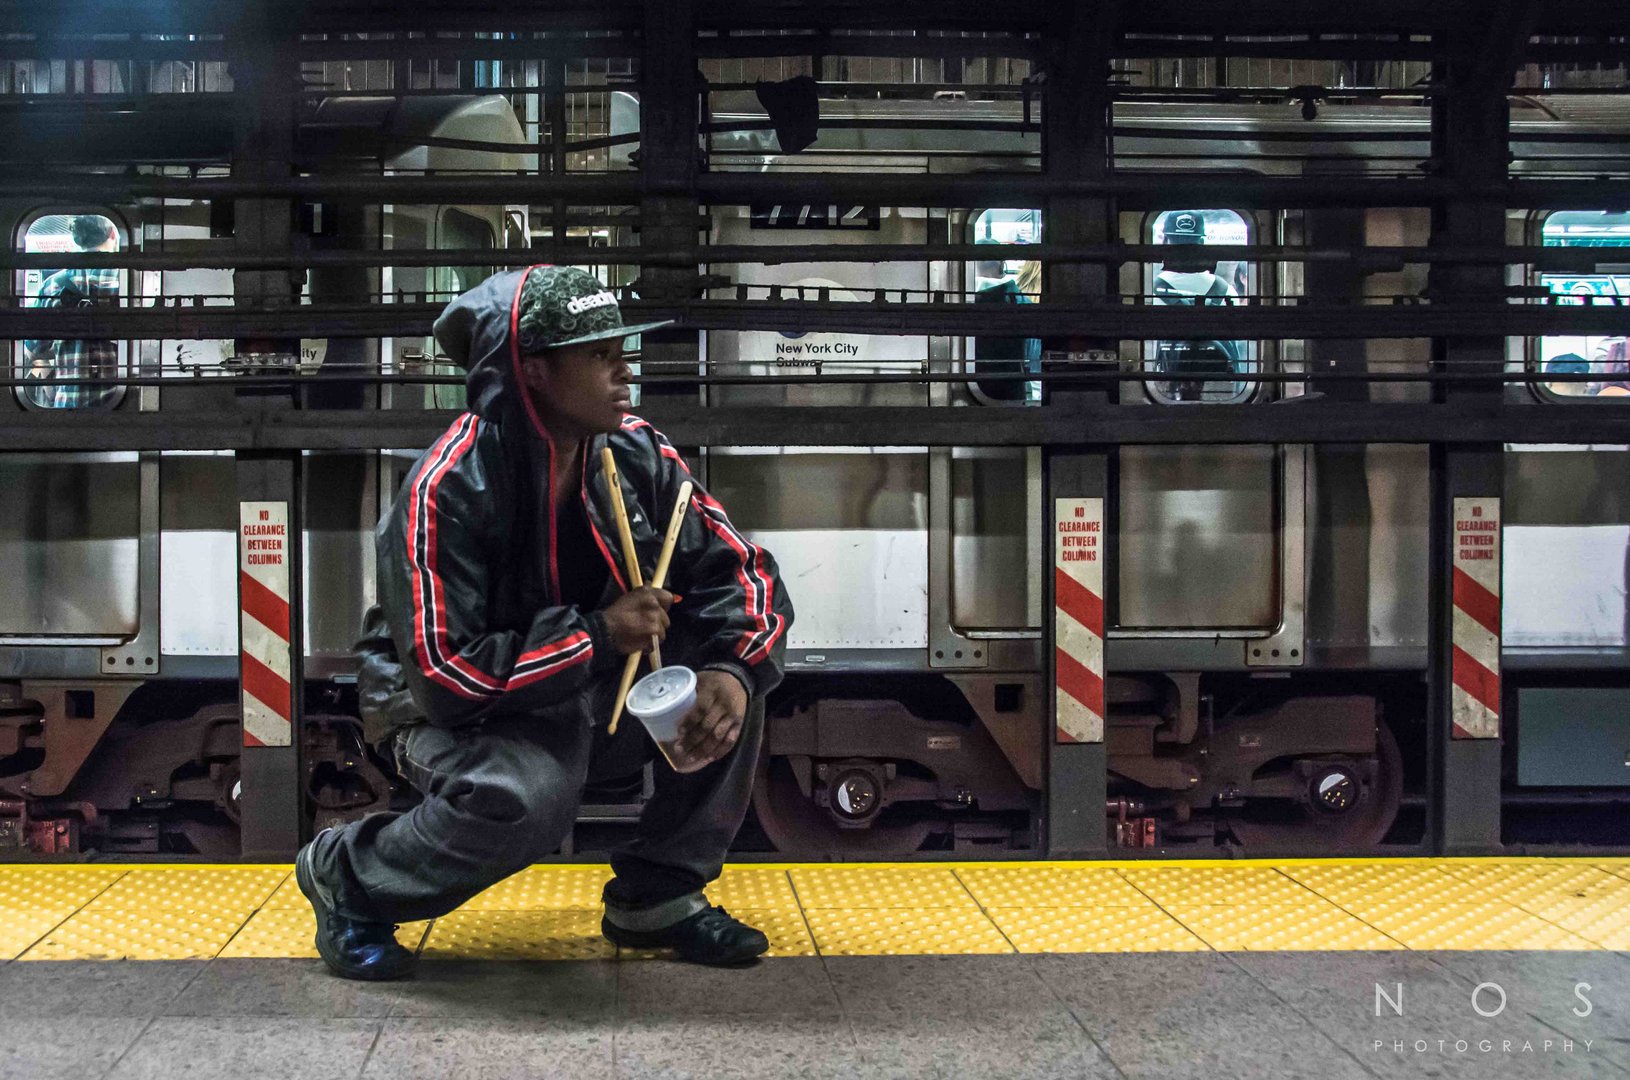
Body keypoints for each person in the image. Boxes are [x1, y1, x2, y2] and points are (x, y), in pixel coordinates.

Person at [297, 265, 794, 979]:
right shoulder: (446, 488)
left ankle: (658, 896)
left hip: (572, 681)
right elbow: (443, 675)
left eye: (622, 350)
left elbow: (740, 570)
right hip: (441, 713)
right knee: (528, 798)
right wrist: (597, 636)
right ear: (530, 370)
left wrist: (733, 670)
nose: (626, 370)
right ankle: (348, 875)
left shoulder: (637, 453)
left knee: (722, 691)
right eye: (599, 355)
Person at [21, 215, 122, 410]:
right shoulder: (124, 279)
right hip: (115, 401)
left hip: (68, 403)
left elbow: (33, 350)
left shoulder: (53, 284)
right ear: (112, 233)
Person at [1152, 211, 1242, 402]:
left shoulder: (1151, 291)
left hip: (1168, 383)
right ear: (1202, 247)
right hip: (1223, 393)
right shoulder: (1227, 291)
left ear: (1166, 244)